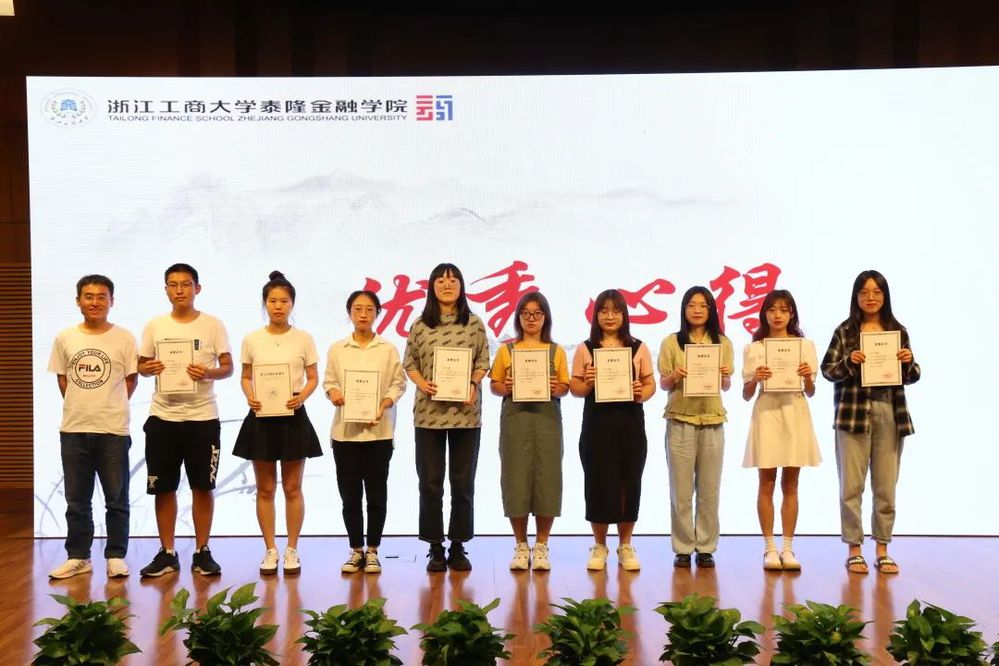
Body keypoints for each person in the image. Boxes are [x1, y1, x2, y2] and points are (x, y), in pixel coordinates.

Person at [137, 263, 233, 577]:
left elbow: (228, 367)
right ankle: (167, 552)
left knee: (203, 487)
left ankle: (202, 551)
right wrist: (149, 368)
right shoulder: (155, 326)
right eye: (173, 284)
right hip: (163, 417)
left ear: (197, 288)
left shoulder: (213, 325)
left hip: (203, 418)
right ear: (166, 289)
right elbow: (141, 365)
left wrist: (209, 373)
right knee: (163, 488)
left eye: (186, 284)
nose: (180, 290)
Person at [821, 270, 920, 575]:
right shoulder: (845, 331)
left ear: (885, 296)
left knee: (886, 485)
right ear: (856, 296)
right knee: (851, 486)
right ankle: (854, 549)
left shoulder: (897, 331)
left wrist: (907, 362)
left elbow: (914, 374)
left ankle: (882, 548)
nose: (871, 297)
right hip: (853, 413)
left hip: (890, 411)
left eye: (876, 292)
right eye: (864, 292)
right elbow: (827, 370)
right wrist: (849, 361)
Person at [47, 275, 138, 579]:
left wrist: (109, 404)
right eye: (89, 296)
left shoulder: (124, 337)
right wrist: (82, 404)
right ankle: (78, 557)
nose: (95, 302)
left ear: (112, 301)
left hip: (113, 430)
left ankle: (116, 556)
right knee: (76, 500)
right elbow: (63, 378)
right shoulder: (65, 337)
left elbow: (131, 379)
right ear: (78, 301)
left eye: (102, 296)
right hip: (74, 429)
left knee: (117, 499)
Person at [233, 271, 322, 576]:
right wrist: (250, 396)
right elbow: (245, 376)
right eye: (273, 301)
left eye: (284, 301)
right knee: (265, 489)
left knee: (293, 488)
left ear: (292, 304)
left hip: (293, 417)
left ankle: (292, 549)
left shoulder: (304, 339)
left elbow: (313, 378)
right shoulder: (252, 339)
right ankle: (270, 549)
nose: (278, 306)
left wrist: (301, 397)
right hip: (262, 417)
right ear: (265, 304)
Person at [403, 263, 489, 572]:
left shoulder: (474, 323)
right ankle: (435, 545)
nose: (447, 285)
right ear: (432, 287)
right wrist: (422, 383)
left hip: (466, 414)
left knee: (463, 483)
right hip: (429, 414)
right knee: (430, 483)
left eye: (453, 280)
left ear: (461, 286)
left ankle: (458, 545)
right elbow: (409, 362)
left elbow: (483, 361)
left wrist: (472, 384)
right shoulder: (420, 325)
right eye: (440, 280)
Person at [570, 289, 656, 571]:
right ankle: (599, 545)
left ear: (624, 315)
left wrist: (640, 392)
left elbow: (650, 385)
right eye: (604, 310)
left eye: (616, 310)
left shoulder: (638, 347)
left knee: (629, 482)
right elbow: (575, 388)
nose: (610, 316)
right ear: (595, 315)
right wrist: (588, 382)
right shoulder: (585, 348)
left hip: (630, 425)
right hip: (597, 426)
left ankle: (625, 545)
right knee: (597, 483)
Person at [324, 290, 406, 575]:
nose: (363, 314)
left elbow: (398, 384)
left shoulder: (388, 349)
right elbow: (329, 381)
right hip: (345, 434)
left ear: (377, 313)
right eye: (357, 309)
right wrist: (334, 394)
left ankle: (373, 551)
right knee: (349, 497)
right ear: (349, 313)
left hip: (379, 433)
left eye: (369, 309)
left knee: (376, 495)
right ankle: (355, 550)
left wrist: (384, 404)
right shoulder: (337, 349)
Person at [489, 292, 570, 571]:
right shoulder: (506, 350)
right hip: (516, 420)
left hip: (547, 422)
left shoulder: (556, 351)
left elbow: (565, 387)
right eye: (525, 313)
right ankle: (521, 545)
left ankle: (542, 545)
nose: (531, 319)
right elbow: (495, 385)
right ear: (518, 318)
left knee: (548, 479)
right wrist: (507, 386)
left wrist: (555, 387)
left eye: (537, 313)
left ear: (545, 317)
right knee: (516, 480)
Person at [742, 289, 821, 571]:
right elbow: (746, 394)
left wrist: (806, 378)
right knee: (766, 483)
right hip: (767, 413)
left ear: (792, 314)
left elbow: (810, 391)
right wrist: (755, 379)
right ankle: (769, 548)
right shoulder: (755, 348)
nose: (777, 315)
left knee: (791, 484)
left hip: (795, 413)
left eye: (784, 310)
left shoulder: (805, 347)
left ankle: (788, 548)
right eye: (772, 309)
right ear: (764, 313)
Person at [658, 286, 734, 568]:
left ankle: (705, 547)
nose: (697, 310)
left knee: (709, 489)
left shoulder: (722, 343)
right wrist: (675, 376)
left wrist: (723, 377)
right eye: (691, 305)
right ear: (684, 310)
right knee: (680, 490)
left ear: (711, 310)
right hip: (680, 419)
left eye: (703, 305)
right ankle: (682, 547)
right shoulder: (671, 342)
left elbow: (726, 385)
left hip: (712, 420)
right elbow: (664, 383)